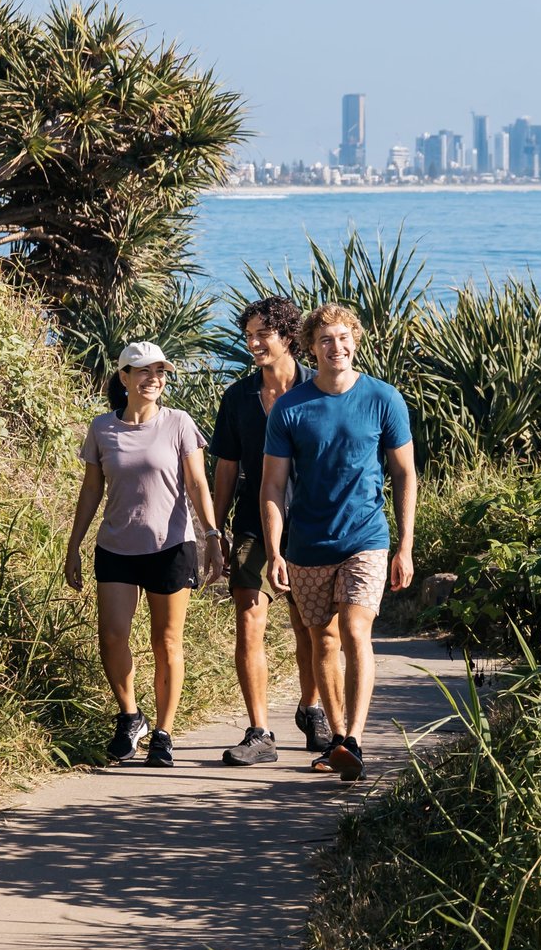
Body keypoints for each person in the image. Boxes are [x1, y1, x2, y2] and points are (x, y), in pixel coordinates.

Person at [260, 302, 416, 782]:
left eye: (344, 337)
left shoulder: (382, 398)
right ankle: (336, 739)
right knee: (321, 640)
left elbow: (405, 473)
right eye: (326, 339)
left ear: (356, 342)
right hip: (307, 543)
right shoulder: (290, 408)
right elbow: (271, 486)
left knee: (353, 630)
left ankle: (354, 739)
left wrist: (405, 544)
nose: (336, 347)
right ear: (310, 347)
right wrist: (273, 552)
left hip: (365, 536)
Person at [63, 341, 225, 767]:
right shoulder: (102, 428)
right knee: (112, 636)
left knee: (166, 641)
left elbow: (197, 485)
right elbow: (92, 489)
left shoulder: (178, 423)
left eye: (160, 372)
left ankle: (164, 734)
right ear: (125, 377)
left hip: (170, 546)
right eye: (143, 371)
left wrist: (212, 535)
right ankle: (130, 716)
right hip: (116, 544)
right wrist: (74, 544)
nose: (153, 379)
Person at [208, 296, 327, 766]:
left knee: (311, 626)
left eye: (263, 334)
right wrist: (214, 529)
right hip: (254, 524)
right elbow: (225, 469)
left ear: (288, 337)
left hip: (311, 526)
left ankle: (312, 709)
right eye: (249, 335)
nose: (254, 343)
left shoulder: (318, 390)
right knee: (249, 619)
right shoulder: (238, 397)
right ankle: (259, 732)